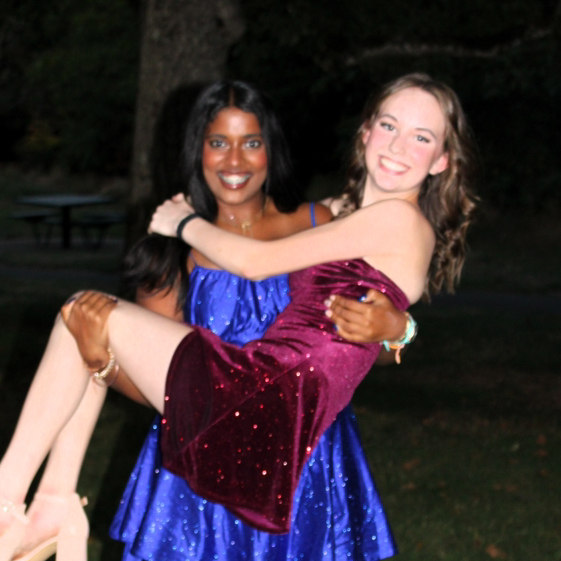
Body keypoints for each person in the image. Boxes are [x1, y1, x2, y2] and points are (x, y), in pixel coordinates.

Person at [0, 73, 477, 561]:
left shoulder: (394, 219)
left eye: (421, 137)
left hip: (265, 400)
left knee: (79, 311)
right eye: (389, 126)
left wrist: (182, 223)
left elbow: (255, 262)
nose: (398, 145)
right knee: (84, 322)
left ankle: (17, 505)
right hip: (263, 406)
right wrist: (104, 364)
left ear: (442, 160)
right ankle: (52, 502)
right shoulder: (343, 214)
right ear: (366, 131)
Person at [110, 80, 405, 561]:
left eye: (251, 142)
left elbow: (356, 353)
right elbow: (153, 380)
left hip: (308, 460)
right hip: (204, 459)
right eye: (218, 142)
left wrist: (396, 331)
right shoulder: (169, 248)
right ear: (197, 150)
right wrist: (106, 365)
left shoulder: (320, 224)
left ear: (272, 149)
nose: (235, 161)